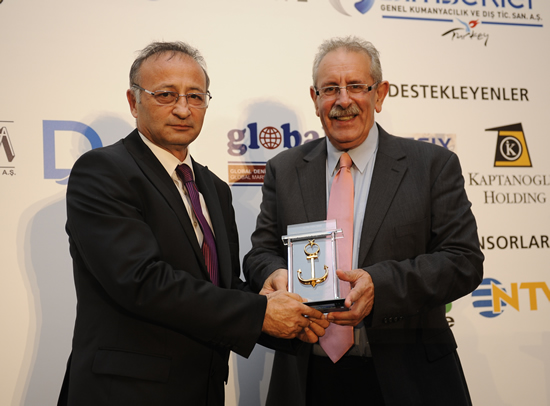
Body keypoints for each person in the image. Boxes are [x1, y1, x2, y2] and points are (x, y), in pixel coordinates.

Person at [57, 41, 328, 406]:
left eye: (196, 96)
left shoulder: (214, 188)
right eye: (166, 94)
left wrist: (281, 308)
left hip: (204, 390)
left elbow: (220, 286)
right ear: (134, 102)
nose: (183, 109)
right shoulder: (103, 171)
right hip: (127, 393)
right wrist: (260, 313)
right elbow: (142, 281)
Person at [243, 36, 484, 406]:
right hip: (308, 377)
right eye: (330, 89)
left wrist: (380, 287)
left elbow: (463, 261)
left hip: (408, 378)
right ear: (315, 99)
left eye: (356, 86)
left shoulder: (431, 166)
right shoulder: (284, 169)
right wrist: (274, 273)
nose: (343, 100)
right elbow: (260, 253)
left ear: (380, 94)